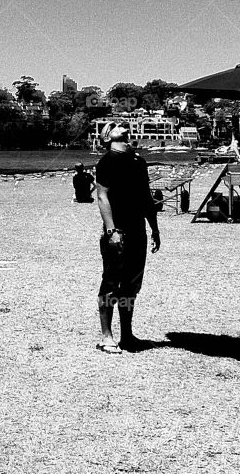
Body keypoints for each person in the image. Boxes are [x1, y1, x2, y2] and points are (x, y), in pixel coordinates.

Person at [94, 124, 160, 354]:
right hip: (117, 231)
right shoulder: (107, 162)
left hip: (138, 230)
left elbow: (146, 197)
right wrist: (111, 230)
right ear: (105, 138)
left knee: (131, 285)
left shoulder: (138, 162)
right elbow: (102, 196)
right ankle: (106, 336)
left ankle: (127, 335)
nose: (116, 125)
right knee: (112, 282)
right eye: (110, 126)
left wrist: (155, 228)